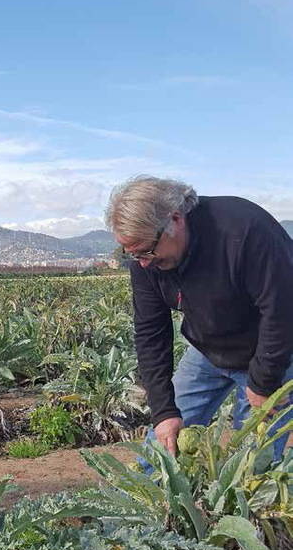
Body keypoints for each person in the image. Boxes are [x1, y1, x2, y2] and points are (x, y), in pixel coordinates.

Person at [105, 175, 293, 458]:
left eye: (147, 251)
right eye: (132, 254)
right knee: (162, 448)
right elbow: (150, 331)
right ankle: (150, 502)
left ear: (176, 219)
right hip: (207, 350)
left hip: (270, 349)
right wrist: (163, 410)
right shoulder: (143, 259)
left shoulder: (245, 230)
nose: (143, 262)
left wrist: (264, 381)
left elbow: (282, 310)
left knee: (255, 462)